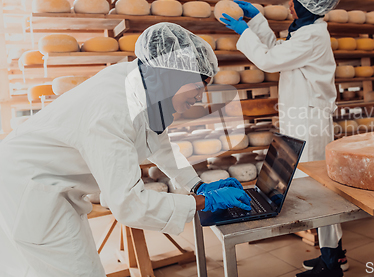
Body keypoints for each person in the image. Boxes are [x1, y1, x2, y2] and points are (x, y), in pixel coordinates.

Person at [0, 23, 251, 277]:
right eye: (198, 86)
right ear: (171, 75)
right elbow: (129, 204)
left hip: (50, 186)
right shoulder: (113, 110)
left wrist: (197, 185)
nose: (200, 97)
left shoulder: (142, 82)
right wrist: (203, 202)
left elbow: (159, 144)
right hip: (31, 190)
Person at [221, 0, 347, 277]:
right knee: (317, 188)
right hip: (301, 118)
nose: (290, 5)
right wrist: (256, 20)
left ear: (306, 6)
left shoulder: (312, 37)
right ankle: (334, 253)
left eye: (294, 1)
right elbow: (279, 51)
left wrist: (244, 32)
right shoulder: (305, 33)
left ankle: (332, 264)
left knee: (317, 190)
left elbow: (269, 59)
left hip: (309, 123)